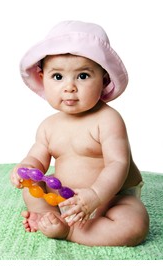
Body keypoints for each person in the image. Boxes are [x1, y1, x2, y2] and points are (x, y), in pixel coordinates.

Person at [10, 21, 149, 246]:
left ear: (104, 80)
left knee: (133, 226)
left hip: (113, 198)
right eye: (58, 77)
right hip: (66, 197)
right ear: (42, 78)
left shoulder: (107, 120)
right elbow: (37, 158)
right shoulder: (48, 126)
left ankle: (71, 232)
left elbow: (118, 164)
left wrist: (95, 195)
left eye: (83, 76)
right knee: (31, 189)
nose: (70, 87)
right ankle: (46, 215)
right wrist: (24, 169)